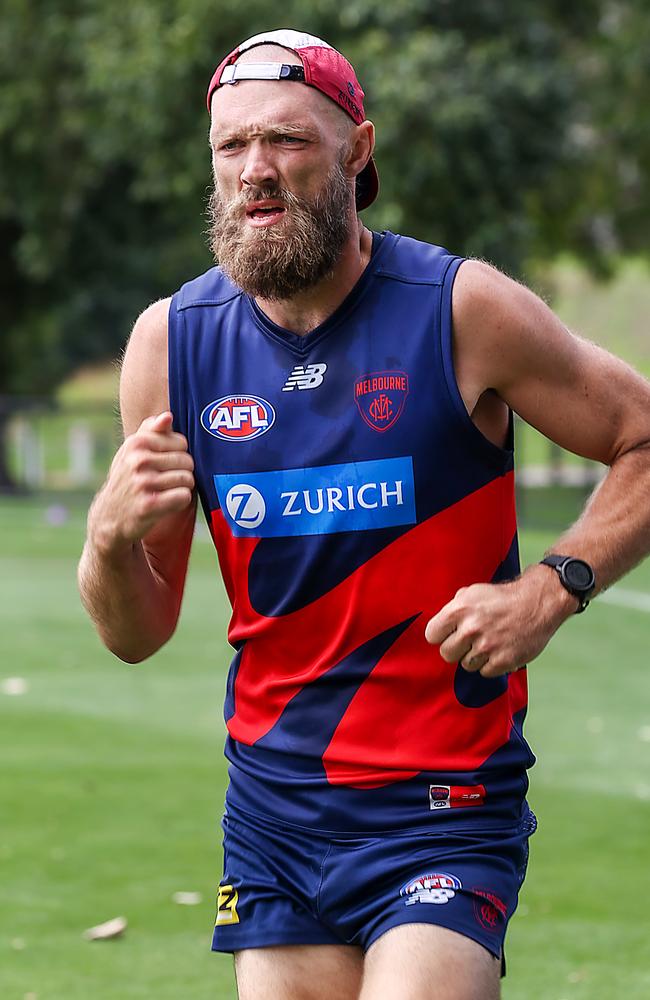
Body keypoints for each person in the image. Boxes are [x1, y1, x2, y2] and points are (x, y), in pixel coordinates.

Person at [78, 28, 650, 1000]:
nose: (256, 170)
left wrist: (551, 589)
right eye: (231, 147)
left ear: (357, 150)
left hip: (442, 801)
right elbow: (137, 632)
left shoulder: (458, 309)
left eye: (289, 142)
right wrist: (107, 538)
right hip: (274, 814)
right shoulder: (168, 345)